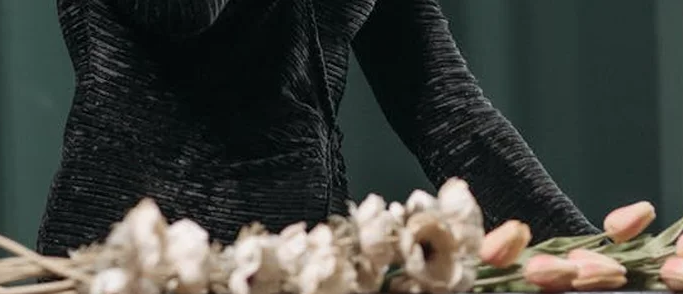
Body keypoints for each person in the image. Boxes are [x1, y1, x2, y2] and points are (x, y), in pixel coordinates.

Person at [37, 0, 598, 257]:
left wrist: (594, 254)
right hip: (127, 267)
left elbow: (441, 107)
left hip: (303, 271)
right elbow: (185, 13)